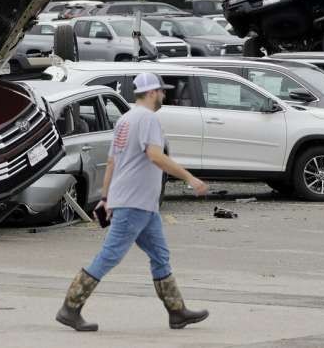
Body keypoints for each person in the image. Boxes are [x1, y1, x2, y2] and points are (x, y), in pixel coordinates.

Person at [55, 72, 210, 332]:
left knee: (160, 256)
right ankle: (70, 308)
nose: (164, 95)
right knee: (109, 255)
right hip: (134, 202)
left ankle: (177, 312)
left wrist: (105, 198)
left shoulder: (125, 120)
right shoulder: (148, 118)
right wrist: (190, 178)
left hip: (141, 204)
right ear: (151, 93)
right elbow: (155, 155)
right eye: (161, 91)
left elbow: (113, 161)